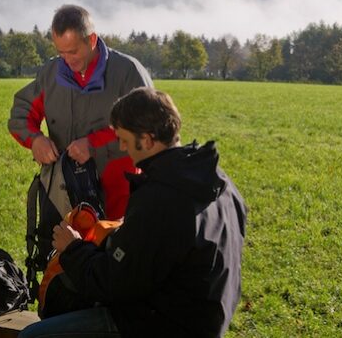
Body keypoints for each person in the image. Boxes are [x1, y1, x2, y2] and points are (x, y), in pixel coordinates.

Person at [19, 87, 247, 338]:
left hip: (161, 323)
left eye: (125, 140)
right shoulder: (218, 181)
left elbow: (113, 284)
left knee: (32, 336)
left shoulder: (160, 196)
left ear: (148, 140)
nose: (122, 147)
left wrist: (73, 249)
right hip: (206, 318)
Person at [8, 4, 153, 220]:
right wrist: (35, 140)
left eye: (73, 51)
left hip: (117, 195)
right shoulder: (51, 73)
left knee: (110, 251)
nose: (67, 60)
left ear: (92, 40)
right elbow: (21, 113)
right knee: (62, 250)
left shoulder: (128, 73)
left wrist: (93, 144)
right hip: (63, 192)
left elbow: (147, 129)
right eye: (61, 52)